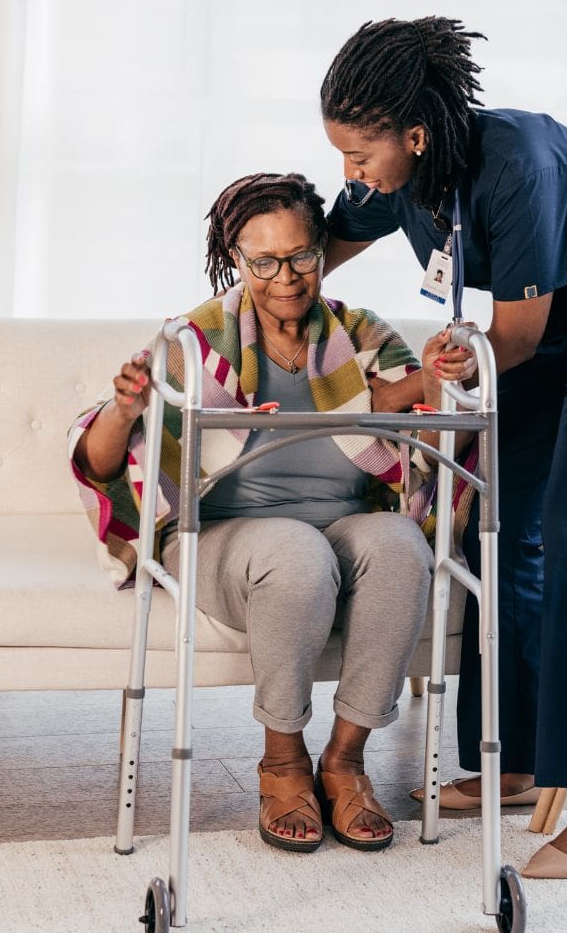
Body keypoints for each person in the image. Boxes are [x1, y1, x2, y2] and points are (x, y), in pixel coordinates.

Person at [318, 17, 567, 878]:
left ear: (413, 135)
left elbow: (515, 338)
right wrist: (239, 295)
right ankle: (522, 762)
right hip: (547, 331)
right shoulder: (394, 171)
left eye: (359, 155)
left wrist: (427, 377)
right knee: (490, 525)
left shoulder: (518, 163)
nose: (351, 174)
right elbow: (317, 252)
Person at [68, 173, 468, 854]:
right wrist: (126, 410)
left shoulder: (362, 333)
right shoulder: (192, 344)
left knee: (402, 544)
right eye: (263, 262)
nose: (285, 276)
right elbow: (102, 464)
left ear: (321, 249)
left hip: (346, 521)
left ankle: (343, 762)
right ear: (236, 259)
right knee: (293, 550)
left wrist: (430, 388)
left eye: (301, 255)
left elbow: (425, 459)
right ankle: (283, 763)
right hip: (225, 535)